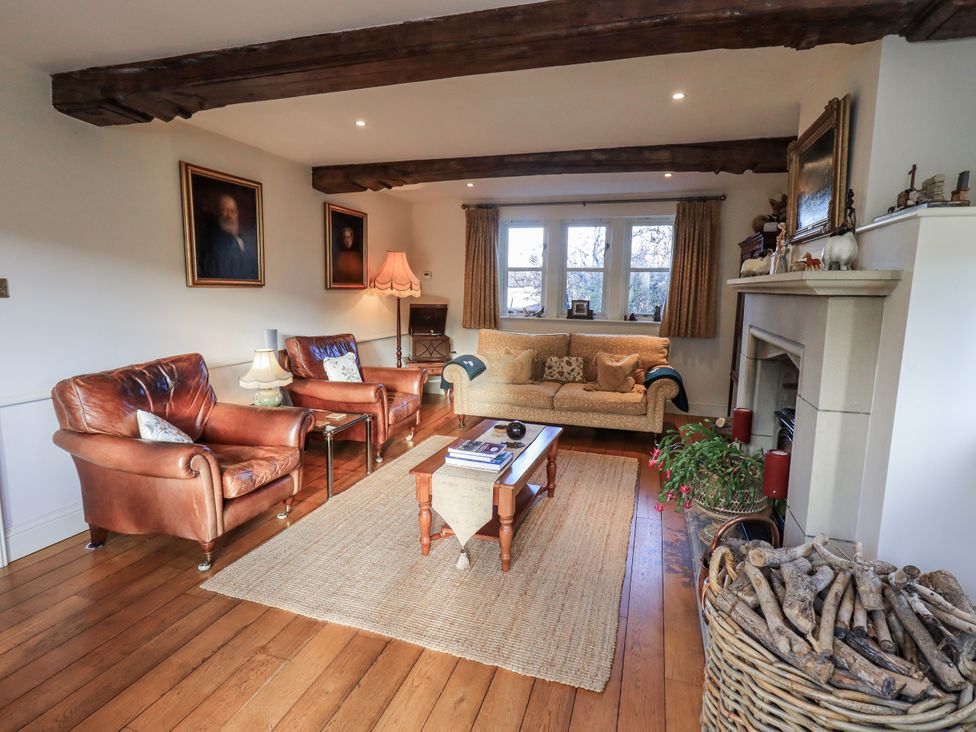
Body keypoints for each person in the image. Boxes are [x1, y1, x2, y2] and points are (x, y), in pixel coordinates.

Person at [197, 194, 259, 280]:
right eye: (225, 210)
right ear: (218, 212)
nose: (229, 215)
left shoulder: (245, 239)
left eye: (232, 211)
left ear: (237, 214)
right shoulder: (211, 242)